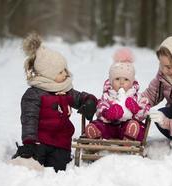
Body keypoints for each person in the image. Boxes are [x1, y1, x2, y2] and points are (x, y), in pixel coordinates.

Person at [11, 33, 97, 172]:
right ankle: (23, 159)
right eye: (60, 72)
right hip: (39, 143)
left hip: (61, 143)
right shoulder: (34, 95)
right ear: (47, 75)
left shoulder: (65, 90)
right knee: (30, 166)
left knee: (58, 169)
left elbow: (79, 97)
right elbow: (29, 119)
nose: (65, 74)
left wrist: (89, 101)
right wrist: (29, 142)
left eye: (65, 70)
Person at [85, 48, 150, 141]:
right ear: (111, 81)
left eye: (126, 79)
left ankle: (130, 136)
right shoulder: (107, 95)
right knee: (99, 125)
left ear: (132, 82)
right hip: (110, 125)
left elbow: (145, 111)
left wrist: (136, 109)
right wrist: (107, 113)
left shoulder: (136, 96)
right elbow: (100, 108)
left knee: (137, 126)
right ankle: (96, 135)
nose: (121, 83)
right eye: (117, 79)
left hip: (127, 125)